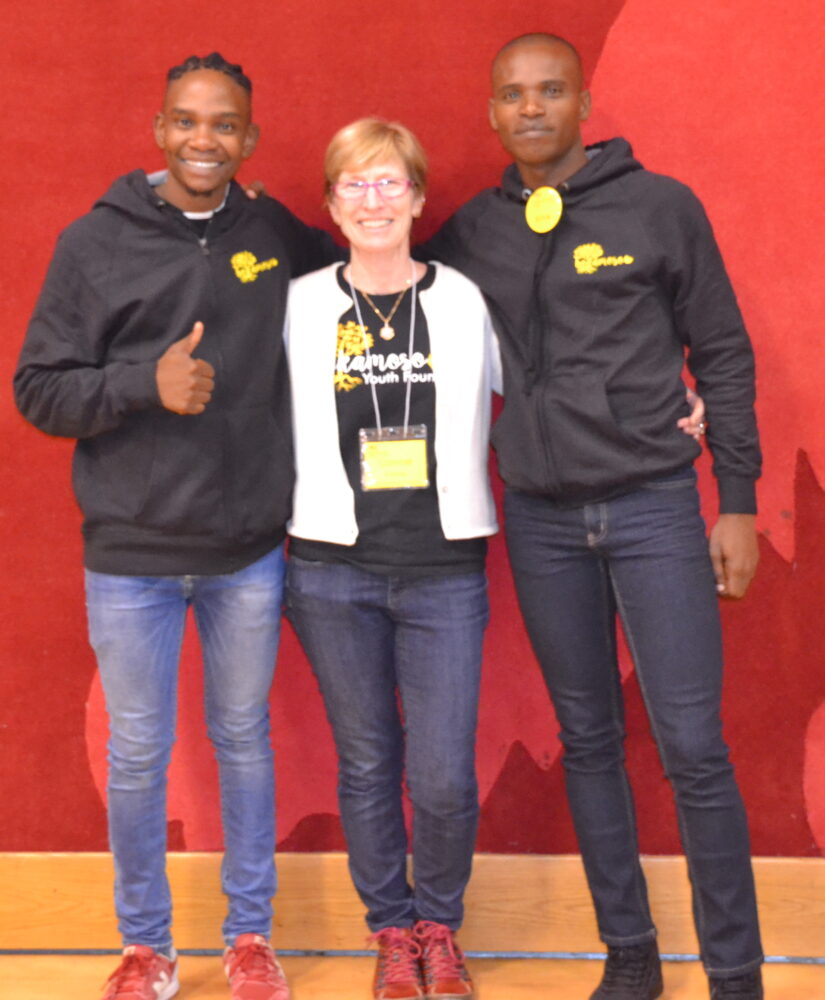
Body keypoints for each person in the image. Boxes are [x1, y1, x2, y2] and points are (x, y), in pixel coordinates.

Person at [422, 32, 764, 1000]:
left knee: (694, 746)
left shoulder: (662, 208)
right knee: (589, 739)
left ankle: (735, 973)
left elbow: (725, 356)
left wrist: (734, 501)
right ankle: (631, 957)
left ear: (583, 102)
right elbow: (392, 278)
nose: (531, 108)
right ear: (492, 112)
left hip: (655, 507)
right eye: (512, 95)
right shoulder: (472, 233)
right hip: (540, 520)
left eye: (550, 91)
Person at [13, 53, 336, 1000]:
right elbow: (37, 387)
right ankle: (146, 948)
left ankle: (249, 940)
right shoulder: (94, 242)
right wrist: (138, 386)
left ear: (250, 140)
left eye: (225, 124)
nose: (206, 139)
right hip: (131, 554)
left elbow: (363, 285)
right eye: (188, 122)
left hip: (244, 551)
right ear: (159, 130)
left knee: (242, 741)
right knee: (139, 752)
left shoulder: (271, 231)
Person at [283, 118, 500, 1000]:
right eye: (353, 185)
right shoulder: (298, 304)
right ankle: (389, 932)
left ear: (416, 198)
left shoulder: (461, 301)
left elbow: (539, 387)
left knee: (443, 768)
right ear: (332, 204)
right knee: (368, 759)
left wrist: (669, 408)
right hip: (330, 565)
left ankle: (438, 927)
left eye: (388, 183)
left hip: (443, 564)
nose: (372, 201)